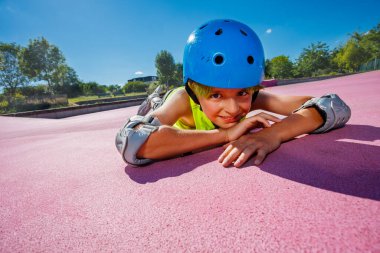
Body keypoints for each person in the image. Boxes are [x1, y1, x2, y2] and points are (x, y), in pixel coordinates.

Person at [115, 19, 351, 168]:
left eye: (242, 93)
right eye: (216, 95)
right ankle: (155, 98)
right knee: (151, 111)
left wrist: (273, 135)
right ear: (195, 91)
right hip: (162, 104)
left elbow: (332, 106)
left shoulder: (257, 96)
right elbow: (134, 141)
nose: (234, 109)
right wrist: (226, 135)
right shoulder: (183, 99)